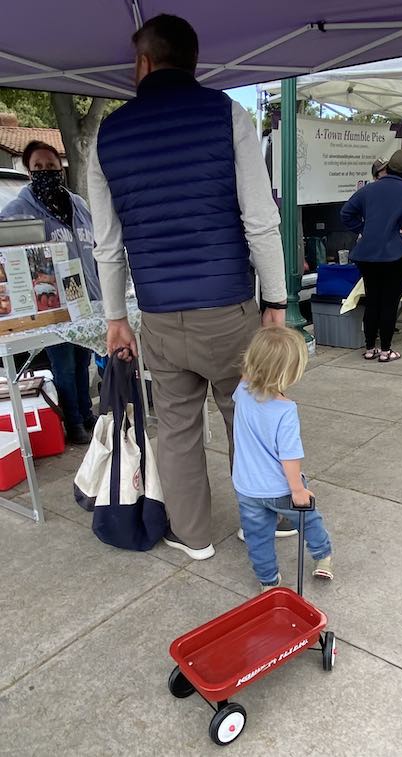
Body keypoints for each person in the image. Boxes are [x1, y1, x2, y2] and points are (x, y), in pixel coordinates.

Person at [87, 14, 288, 560]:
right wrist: (276, 300)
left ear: (143, 62)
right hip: (228, 308)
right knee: (246, 413)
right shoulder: (228, 114)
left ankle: (194, 536)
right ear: (193, 61)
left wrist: (115, 319)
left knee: (175, 427)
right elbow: (260, 220)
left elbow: (107, 244)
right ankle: (264, 525)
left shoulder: (108, 134)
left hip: (157, 315)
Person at [0, 140, 101, 444]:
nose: (46, 172)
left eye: (51, 166)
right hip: (51, 303)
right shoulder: (17, 211)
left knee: (83, 361)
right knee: (64, 365)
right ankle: (73, 422)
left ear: (61, 168)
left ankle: (86, 413)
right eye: (38, 168)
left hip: (86, 300)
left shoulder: (78, 204)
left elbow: (94, 246)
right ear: (29, 171)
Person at [233, 326, 333, 592]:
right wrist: (298, 489)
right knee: (308, 519)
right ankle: (323, 556)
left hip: (246, 487)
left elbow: (248, 374)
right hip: (280, 488)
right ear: (290, 372)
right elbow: (289, 458)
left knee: (258, 537)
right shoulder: (285, 411)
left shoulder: (242, 390)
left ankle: (268, 581)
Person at [341, 149, 402, 362]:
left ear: (389, 167)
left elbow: (346, 213)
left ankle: (369, 348)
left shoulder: (368, 190)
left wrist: (363, 229)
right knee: (389, 302)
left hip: (367, 255)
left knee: (373, 299)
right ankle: (386, 350)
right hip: (397, 254)